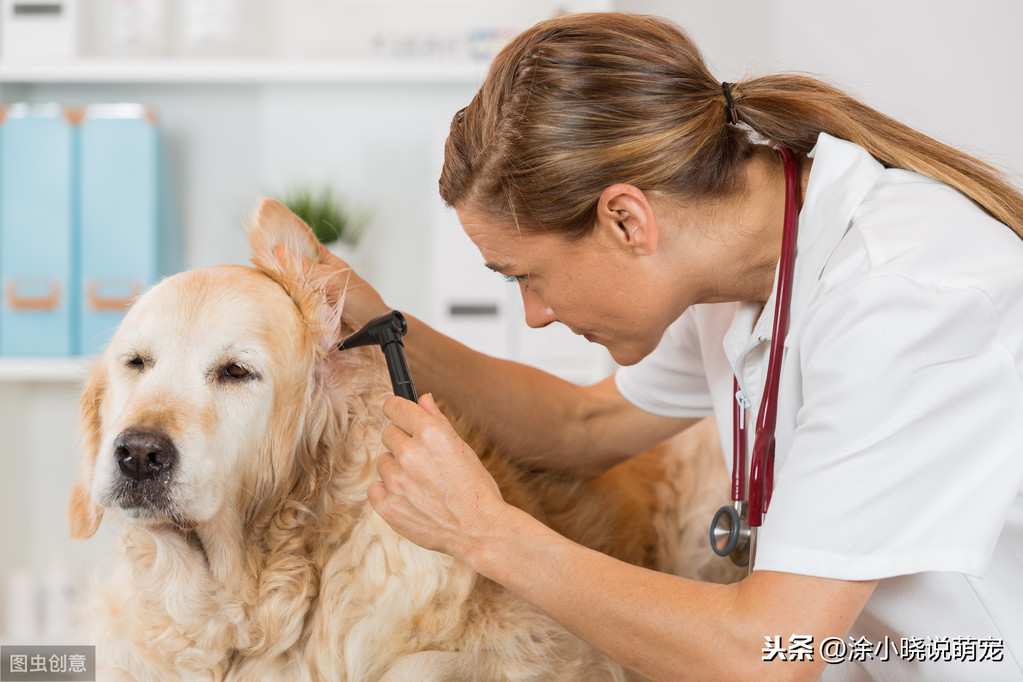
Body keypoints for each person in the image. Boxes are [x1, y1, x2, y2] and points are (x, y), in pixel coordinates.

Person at [297, 12, 1023, 680]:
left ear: (625, 221)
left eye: (530, 276)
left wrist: (485, 535)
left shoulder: (900, 301)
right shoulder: (736, 259)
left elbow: (767, 652)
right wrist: (377, 318)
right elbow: (578, 428)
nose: (536, 313)